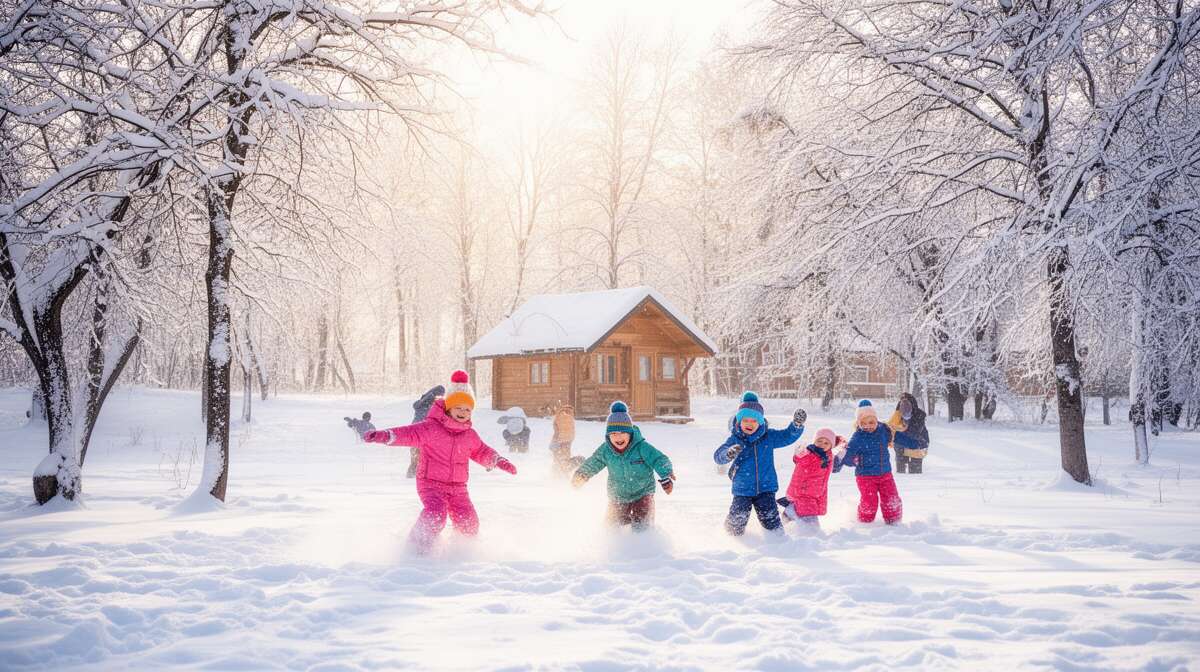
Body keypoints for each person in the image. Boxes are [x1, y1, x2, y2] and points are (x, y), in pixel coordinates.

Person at [364, 371, 516, 553]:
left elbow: (481, 451)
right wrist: (383, 435)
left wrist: (498, 460)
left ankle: (462, 551)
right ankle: (416, 549)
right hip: (431, 484)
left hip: (458, 488)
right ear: (448, 407)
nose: (463, 412)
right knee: (436, 514)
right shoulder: (431, 428)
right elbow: (408, 434)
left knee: (468, 521)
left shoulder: (469, 435)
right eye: (458, 407)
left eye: (467, 409)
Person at [712, 392, 807, 536]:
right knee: (737, 521)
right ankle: (730, 539)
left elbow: (787, 436)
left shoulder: (768, 436)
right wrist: (728, 453)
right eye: (745, 420)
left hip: (766, 488)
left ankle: (778, 542)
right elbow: (718, 456)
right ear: (739, 421)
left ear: (760, 422)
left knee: (771, 521)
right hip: (742, 489)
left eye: (754, 420)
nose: (749, 424)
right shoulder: (735, 439)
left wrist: (796, 426)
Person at [572, 401, 674, 531]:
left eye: (622, 433)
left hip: (642, 494)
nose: (618, 437)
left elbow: (658, 459)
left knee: (642, 524)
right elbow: (594, 462)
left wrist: (666, 474)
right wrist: (582, 474)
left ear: (630, 433)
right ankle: (614, 542)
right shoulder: (606, 450)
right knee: (611, 528)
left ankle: (645, 540)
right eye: (613, 434)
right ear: (608, 435)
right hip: (618, 497)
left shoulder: (641, 447)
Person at [836, 399, 920, 525]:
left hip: (885, 474)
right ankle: (864, 524)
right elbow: (848, 455)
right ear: (858, 423)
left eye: (871, 422)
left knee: (892, 499)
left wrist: (914, 443)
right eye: (863, 423)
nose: (868, 426)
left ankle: (894, 523)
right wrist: (840, 461)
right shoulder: (857, 437)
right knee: (869, 503)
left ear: (876, 420)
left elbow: (897, 437)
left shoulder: (884, 430)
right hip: (865, 476)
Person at [777, 427, 846, 529]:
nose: (822, 444)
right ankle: (795, 518)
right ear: (814, 441)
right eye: (819, 441)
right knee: (810, 522)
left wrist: (839, 458)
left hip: (816, 492)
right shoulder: (811, 452)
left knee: (809, 513)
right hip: (804, 492)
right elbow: (800, 460)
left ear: (831, 446)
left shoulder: (828, 456)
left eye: (826, 443)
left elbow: (834, 469)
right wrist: (800, 454)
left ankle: (790, 512)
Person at [406, 385, 445, 478]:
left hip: (415, 433)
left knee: (416, 459)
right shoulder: (431, 406)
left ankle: (411, 477)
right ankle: (414, 478)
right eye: (439, 396)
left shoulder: (421, 404)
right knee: (420, 459)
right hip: (422, 434)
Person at [887, 392, 929, 474]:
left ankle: (913, 475)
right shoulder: (897, 414)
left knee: (915, 473)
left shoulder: (919, 415)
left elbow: (917, 434)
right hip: (901, 446)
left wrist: (903, 430)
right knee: (901, 472)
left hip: (917, 445)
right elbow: (890, 428)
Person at [550, 403, 582, 476]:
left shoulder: (560, 415)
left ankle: (557, 473)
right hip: (566, 441)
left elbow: (557, 429)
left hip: (559, 440)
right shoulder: (569, 417)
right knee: (563, 459)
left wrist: (554, 441)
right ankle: (560, 473)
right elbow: (568, 431)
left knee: (559, 459)